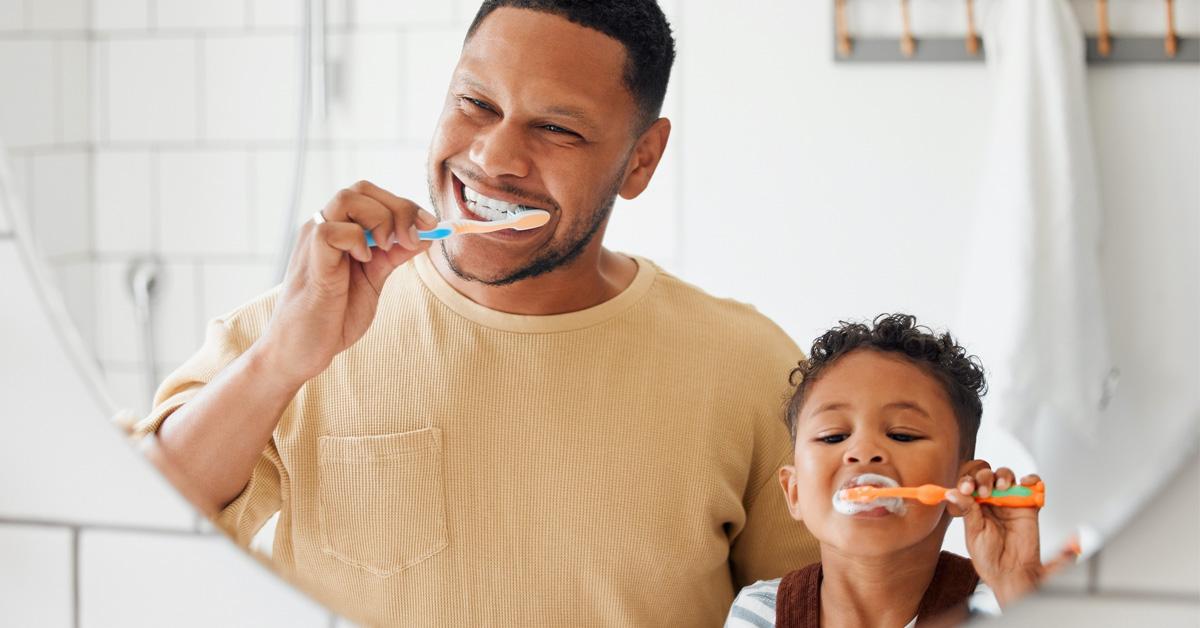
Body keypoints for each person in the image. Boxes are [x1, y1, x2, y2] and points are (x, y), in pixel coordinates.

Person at [131, 2, 827, 625]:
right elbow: (134, 527)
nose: (493, 158)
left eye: (555, 128)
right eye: (475, 103)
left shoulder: (749, 367)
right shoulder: (294, 330)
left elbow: (824, 604)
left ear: (641, 160)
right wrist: (280, 362)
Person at [725, 314, 1072, 628]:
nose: (863, 452)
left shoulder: (1001, 608)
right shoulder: (759, 613)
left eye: (902, 434)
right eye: (833, 436)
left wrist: (1019, 593)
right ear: (795, 492)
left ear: (962, 484)